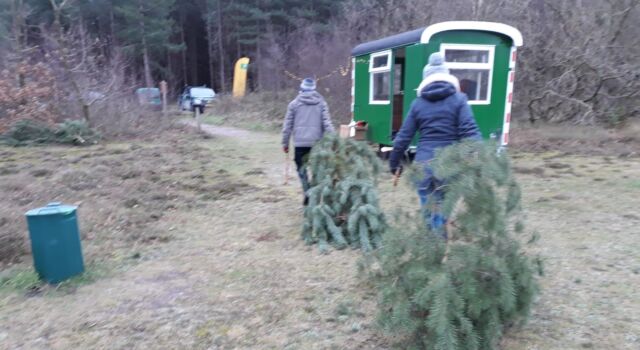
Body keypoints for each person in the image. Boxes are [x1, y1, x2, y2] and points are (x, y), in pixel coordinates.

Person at [389, 52, 481, 238]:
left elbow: (402, 139)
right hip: (451, 166)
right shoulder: (460, 100)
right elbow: (470, 132)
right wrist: (479, 157)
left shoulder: (418, 104)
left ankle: (433, 246)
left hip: (424, 167)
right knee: (443, 210)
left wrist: (394, 164)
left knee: (429, 211)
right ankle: (439, 245)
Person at [282, 78, 335, 205]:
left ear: (301, 88)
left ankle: (307, 191)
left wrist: (285, 143)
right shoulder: (322, 103)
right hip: (317, 143)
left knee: (301, 169)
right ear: (314, 89)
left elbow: (287, 126)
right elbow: (327, 123)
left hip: (300, 144)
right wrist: (334, 139)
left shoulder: (293, 104)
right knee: (317, 170)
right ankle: (314, 194)